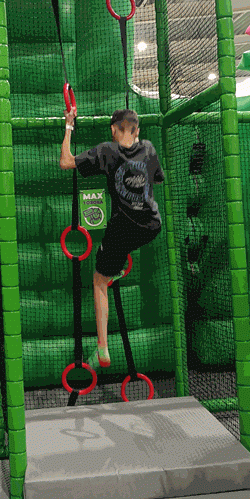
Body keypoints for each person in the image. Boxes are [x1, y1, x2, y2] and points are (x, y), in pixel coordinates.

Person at [60, 105, 164, 369]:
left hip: (123, 229)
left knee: (99, 281)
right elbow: (157, 179)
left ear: (113, 130)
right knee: (118, 255)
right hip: (152, 225)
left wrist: (69, 125)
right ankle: (115, 269)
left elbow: (66, 162)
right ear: (137, 130)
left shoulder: (107, 150)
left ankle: (102, 348)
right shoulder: (149, 148)